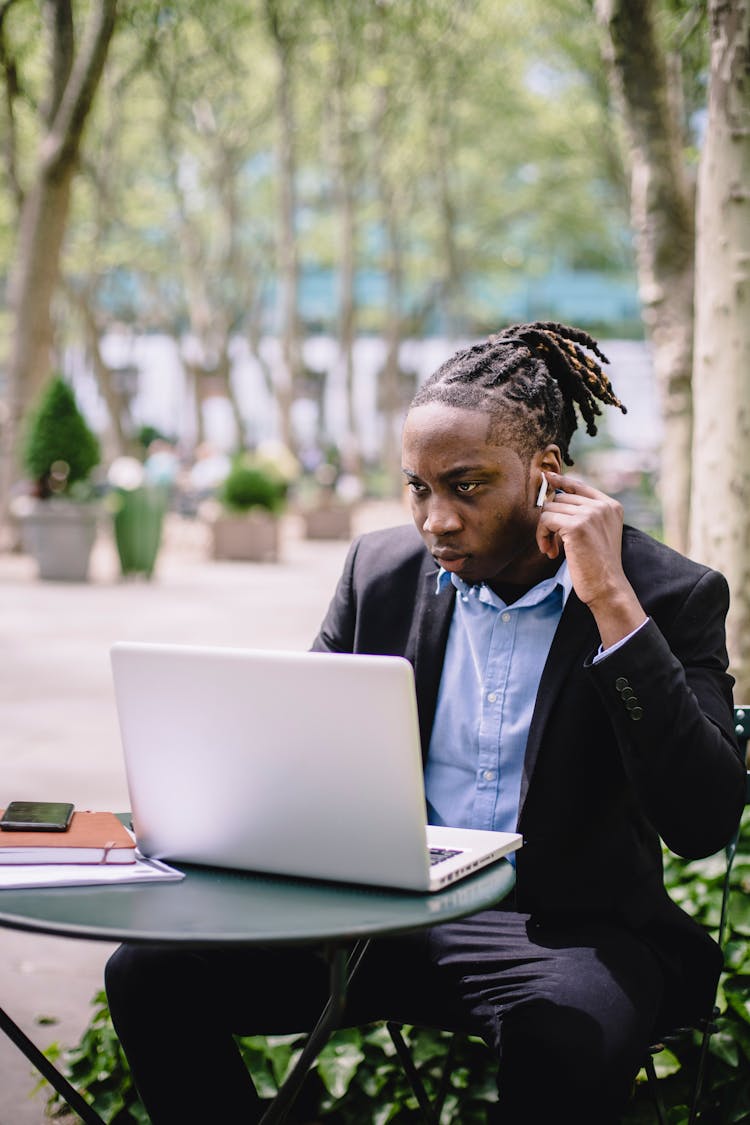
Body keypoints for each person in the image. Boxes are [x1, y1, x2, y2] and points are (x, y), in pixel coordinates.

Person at [105, 322, 745, 1124]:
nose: (435, 518)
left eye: (467, 485)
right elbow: (303, 750)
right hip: (378, 918)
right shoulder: (381, 573)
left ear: (547, 473)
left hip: (564, 934)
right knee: (147, 973)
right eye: (417, 486)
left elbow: (703, 819)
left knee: (566, 1039)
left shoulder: (666, 593)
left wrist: (612, 605)